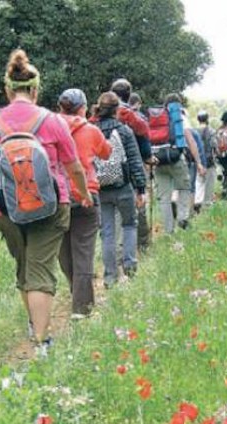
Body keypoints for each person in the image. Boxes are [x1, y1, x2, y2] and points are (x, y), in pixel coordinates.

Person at [0, 49, 92, 354]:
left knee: (24, 269)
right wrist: (83, 194)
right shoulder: (52, 121)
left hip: (8, 209)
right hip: (51, 205)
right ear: (35, 90)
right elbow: (74, 167)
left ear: (8, 89)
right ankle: (42, 341)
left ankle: (35, 325)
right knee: (41, 271)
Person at [57, 88, 111, 319]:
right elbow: (106, 153)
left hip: (57, 196)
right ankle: (82, 307)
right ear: (83, 108)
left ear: (60, 108)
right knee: (84, 251)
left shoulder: (49, 127)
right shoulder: (91, 130)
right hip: (86, 194)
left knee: (63, 251)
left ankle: (76, 291)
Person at [91, 91, 147, 289]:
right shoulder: (124, 130)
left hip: (101, 189)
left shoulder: (92, 129)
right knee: (129, 225)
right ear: (117, 110)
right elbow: (134, 160)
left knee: (107, 232)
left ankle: (109, 276)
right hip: (123, 187)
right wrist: (141, 188)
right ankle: (130, 266)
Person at [152, 93, 206, 232]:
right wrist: (198, 162)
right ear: (178, 104)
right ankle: (182, 219)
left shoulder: (157, 118)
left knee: (164, 197)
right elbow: (191, 141)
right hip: (176, 159)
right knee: (184, 187)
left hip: (158, 161)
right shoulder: (179, 117)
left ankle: (168, 230)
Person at [111, 79, 153, 252]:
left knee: (113, 211)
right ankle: (142, 244)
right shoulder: (135, 117)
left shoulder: (101, 114)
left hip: (108, 166)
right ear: (129, 95)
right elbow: (144, 145)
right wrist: (149, 159)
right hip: (132, 166)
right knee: (138, 203)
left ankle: (114, 248)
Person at [194, 110, 217, 213]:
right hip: (209, 162)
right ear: (207, 119)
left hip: (198, 162)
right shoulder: (211, 131)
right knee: (209, 184)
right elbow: (214, 145)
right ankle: (206, 205)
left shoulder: (194, 131)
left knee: (199, 182)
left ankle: (197, 201)